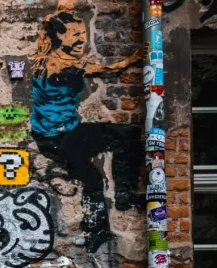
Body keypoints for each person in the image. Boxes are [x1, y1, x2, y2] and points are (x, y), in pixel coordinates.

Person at [31, 7, 143, 253]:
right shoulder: (62, 65)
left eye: (82, 32)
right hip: (58, 137)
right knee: (92, 177)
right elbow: (107, 69)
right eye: (74, 34)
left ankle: (120, 200)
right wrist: (133, 59)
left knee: (125, 136)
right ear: (58, 37)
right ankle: (97, 226)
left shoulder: (43, 55)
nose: (81, 38)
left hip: (58, 132)